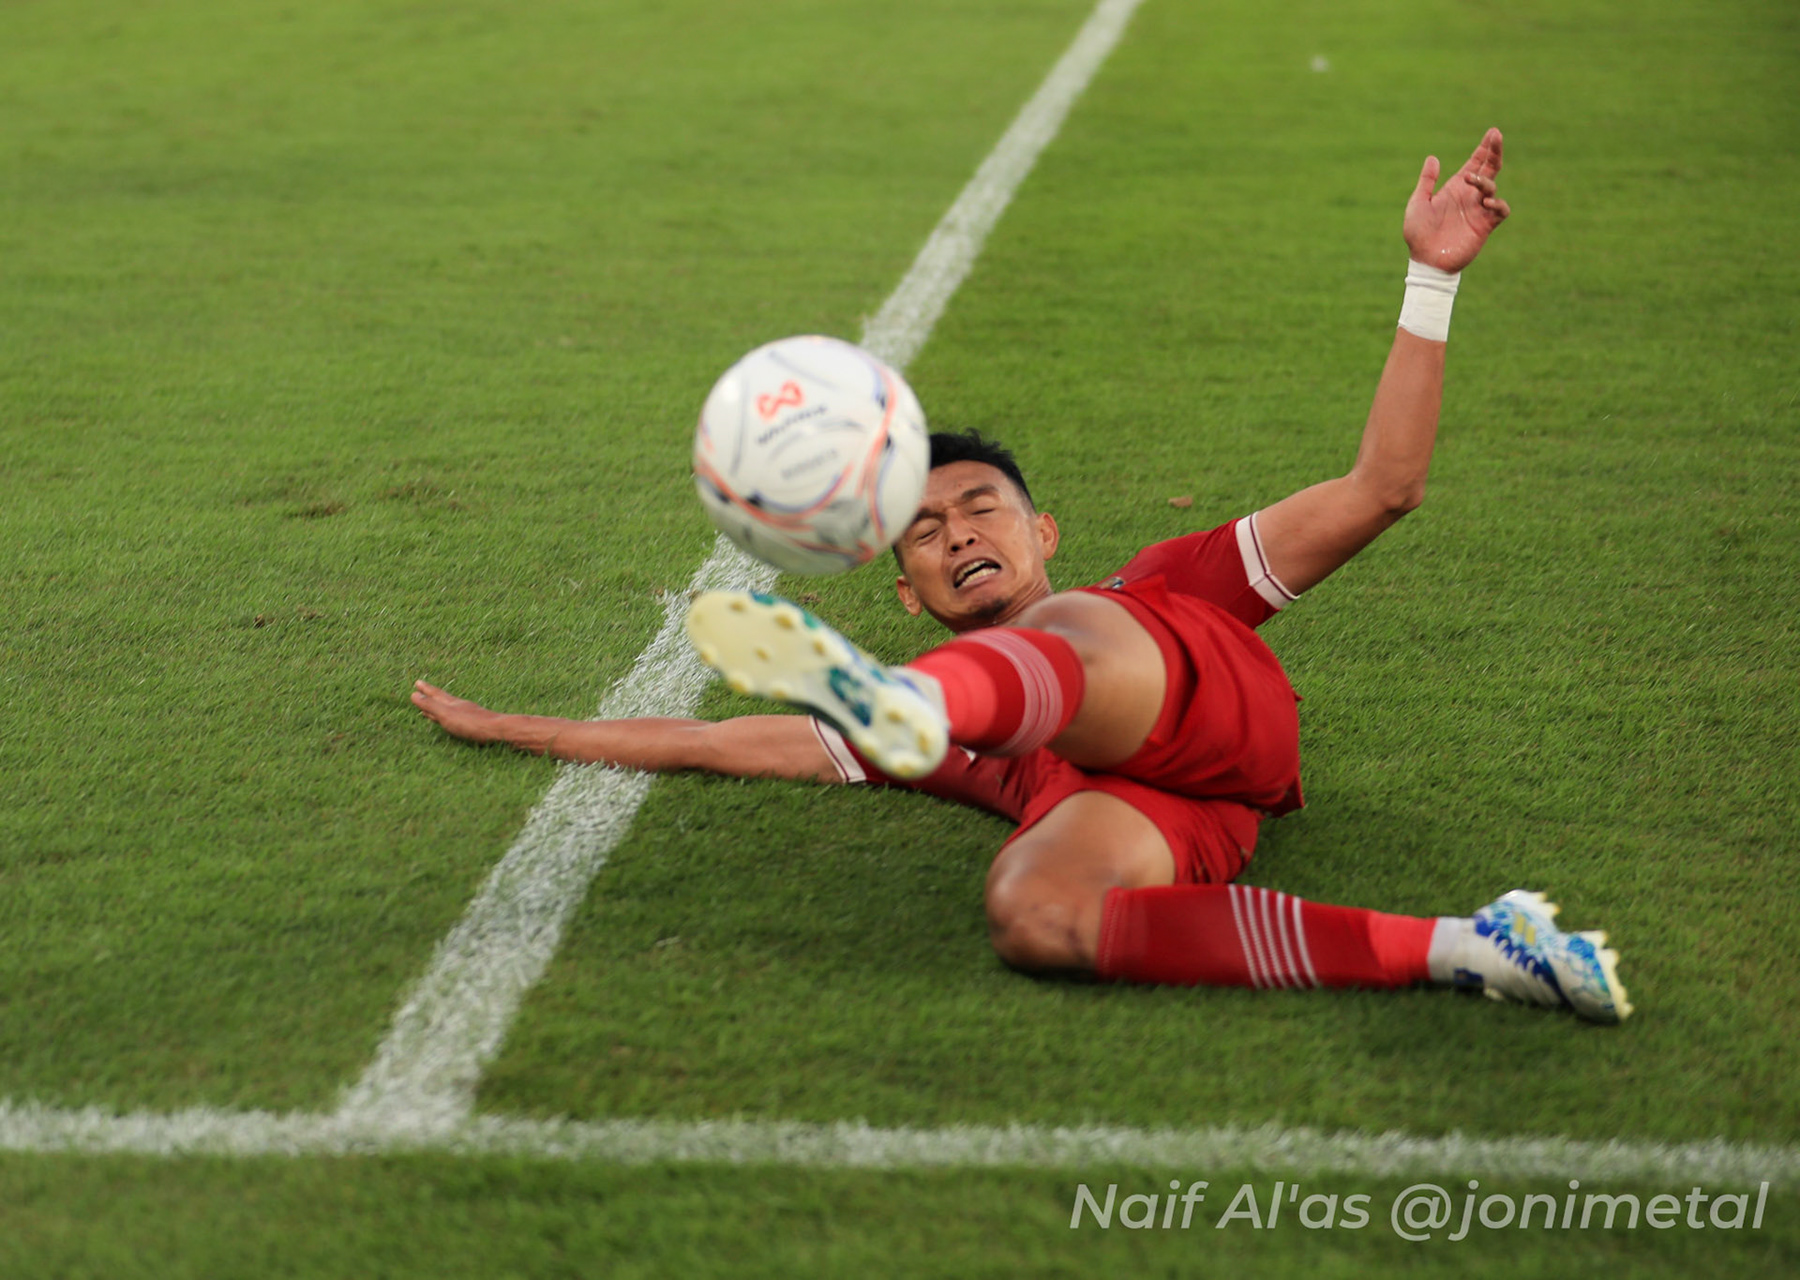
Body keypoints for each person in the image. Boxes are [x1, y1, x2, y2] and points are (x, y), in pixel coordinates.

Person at [413, 128, 1631, 1023]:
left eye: (979, 507)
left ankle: (918, 695)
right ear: (907, 595)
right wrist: (519, 725)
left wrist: (1434, 279)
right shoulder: (966, 743)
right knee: (1032, 913)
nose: (954, 533)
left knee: (1063, 637)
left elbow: (1383, 488)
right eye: (924, 534)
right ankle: (1470, 948)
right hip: (1155, 808)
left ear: (1044, 526)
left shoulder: (1172, 580)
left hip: (1183, 685)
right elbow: (722, 744)